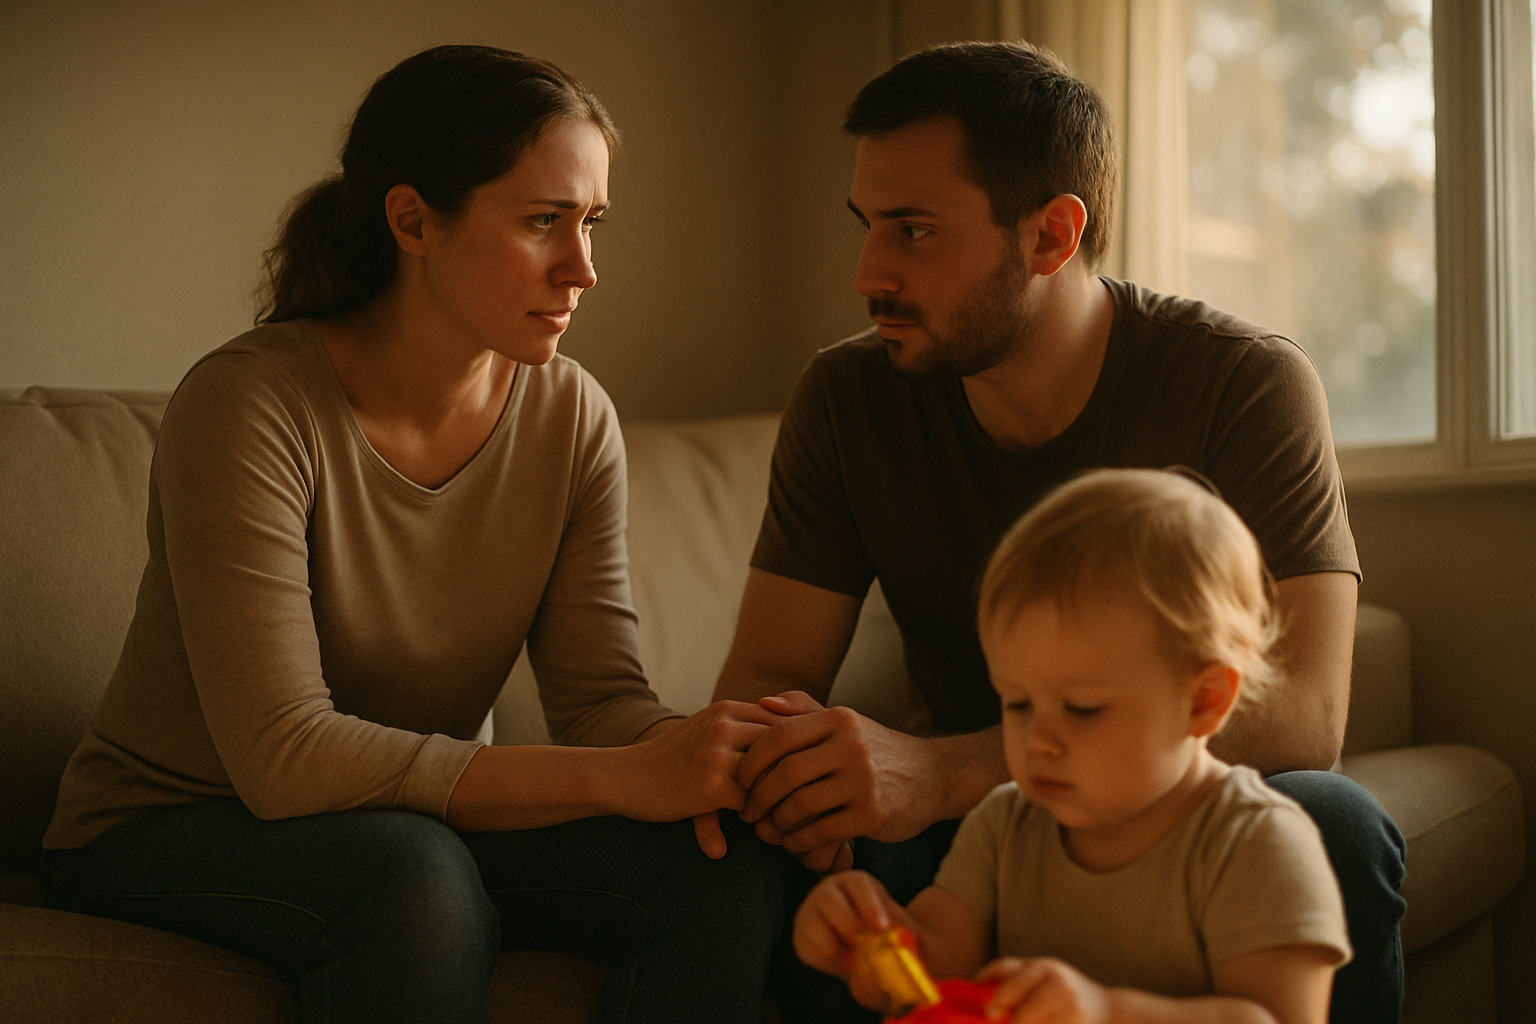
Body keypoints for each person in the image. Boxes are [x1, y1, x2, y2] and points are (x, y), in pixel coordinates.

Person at [40, 45, 788, 1024]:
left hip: (407, 822)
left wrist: (713, 759)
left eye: (592, 222)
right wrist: (619, 774)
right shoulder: (249, 403)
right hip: (169, 823)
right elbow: (284, 755)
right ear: (413, 221)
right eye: (542, 222)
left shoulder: (572, 416)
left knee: (723, 861)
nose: (584, 268)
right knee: (414, 876)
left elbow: (600, 699)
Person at [710, 41, 1405, 1024]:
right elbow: (766, 673)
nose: (868, 271)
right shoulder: (844, 397)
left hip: (1157, 793)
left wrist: (944, 770)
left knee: (1335, 823)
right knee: (780, 878)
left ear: (1050, 234)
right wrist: (798, 786)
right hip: (985, 827)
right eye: (867, 225)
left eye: (914, 231)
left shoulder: (1242, 382)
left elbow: (1302, 720)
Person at [794, 469, 1352, 1024]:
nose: (1037, 739)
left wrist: (1108, 1013)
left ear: (1204, 701)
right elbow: (933, 973)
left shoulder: (1257, 842)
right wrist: (869, 941)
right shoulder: (1005, 827)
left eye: (1083, 709)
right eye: (1016, 703)